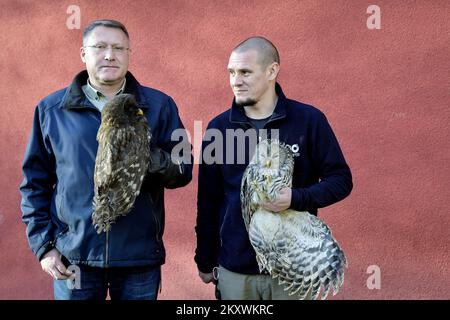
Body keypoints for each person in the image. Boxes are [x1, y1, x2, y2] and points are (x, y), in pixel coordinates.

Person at [20, 19, 192, 300]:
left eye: (118, 48)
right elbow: (33, 184)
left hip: (138, 258)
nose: (109, 55)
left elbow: (183, 170)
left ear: (129, 54)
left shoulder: (159, 106)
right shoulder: (52, 110)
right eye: (99, 47)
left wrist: (142, 157)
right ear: (83, 54)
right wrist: (44, 246)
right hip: (73, 258)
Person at [194, 36, 353, 300]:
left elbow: (341, 180)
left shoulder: (308, 120)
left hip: (293, 270)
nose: (236, 80)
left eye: (245, 72)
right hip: (236, 269)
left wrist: (295, 198)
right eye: (231, 72)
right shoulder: (219, 128)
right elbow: (208, 201)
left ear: (272, 71)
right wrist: (205, 258)